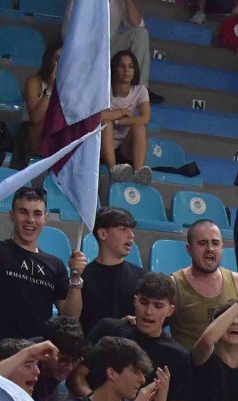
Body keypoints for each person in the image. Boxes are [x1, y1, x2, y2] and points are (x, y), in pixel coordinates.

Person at [0, 188, 86, 342]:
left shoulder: (56, 265)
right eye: (23, 212)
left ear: (45, 218)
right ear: (11, 215)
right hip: (1, 349)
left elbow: (70, 319)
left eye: (37, 214)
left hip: (38, 351)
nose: (30, 220)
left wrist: (75, 279)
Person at [85, 272, 193, 401]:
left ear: (170, 310)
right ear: (135, 301)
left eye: (158, 306)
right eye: (144, 302)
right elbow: (76, 378)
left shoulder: (178, 356)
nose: (148, 311)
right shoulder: (110, 329)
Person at [165, 220, 238, 352]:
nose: (210, 249)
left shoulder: (237, 281)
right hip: (190, 364)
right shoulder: (174, 284)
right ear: (189, 249)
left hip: (232, 364)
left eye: (215, 243)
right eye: (202, 243)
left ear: (222, 247)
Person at [80, 208, 142, 332]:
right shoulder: (82, 277)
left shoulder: (142, 278)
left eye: (131, 230)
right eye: (123, 229)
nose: (131, 235)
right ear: (102, 234)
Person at [102, 50, 151, 182]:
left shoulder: (141, 90)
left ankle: (138, 174)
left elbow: (145, 118)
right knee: (106, 124)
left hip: (124, 148)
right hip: (102, 148)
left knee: (139, 127)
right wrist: (123, 112)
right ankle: (113, 170)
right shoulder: (104, 89)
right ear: (114, 68)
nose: (126, 70)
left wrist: (117, 121)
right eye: (122, 66)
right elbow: (97, 117)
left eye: (130, 66)